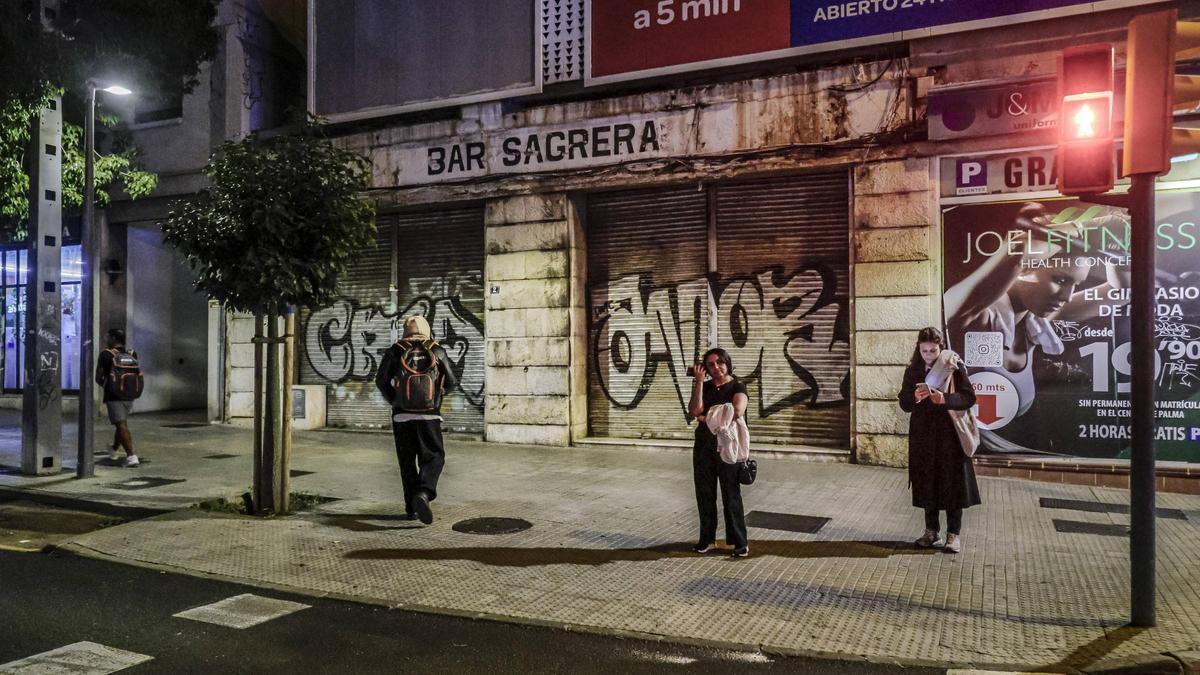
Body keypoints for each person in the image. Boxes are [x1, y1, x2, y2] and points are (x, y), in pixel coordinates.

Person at [945, 202, 1129, 452]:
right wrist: (1085, 227)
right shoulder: (975, 314)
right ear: (1028, 269)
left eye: (1075, 284)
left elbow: (1124, 290)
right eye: (1060, 279)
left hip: (1010, 461)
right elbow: (1018, 253)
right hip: (967, 459)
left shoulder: (1035, 323)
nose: (1066, 295)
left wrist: (1120, 245)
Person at [898, 327, 980, 553]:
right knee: (928, 485)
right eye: (924, 351)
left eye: (933, 351)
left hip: (950, 436)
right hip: (924, 436)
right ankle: (931, 531)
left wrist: (944, 398)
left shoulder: (954, 366)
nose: (928, 355)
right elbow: (903, 402)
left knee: (953, 486)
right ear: (919, 349)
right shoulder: (913, 371)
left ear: (940, 348)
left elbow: (969, 397)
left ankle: (953, 536)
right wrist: (914, 396)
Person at [375, 315, 458, 525]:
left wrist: (395, 400)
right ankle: (423, 492)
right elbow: (452, 381)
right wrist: (437, 397)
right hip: (429, 415)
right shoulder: (436, 350)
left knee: (407, 462)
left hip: (402, 416)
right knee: (434, 456)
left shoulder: (396, 350)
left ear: (406, 330)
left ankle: (411, 509)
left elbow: (381, 381)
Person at [688, 347, 750, 557]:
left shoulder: (737, 386)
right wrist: (698, 381)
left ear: (727, 362)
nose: (716, 368)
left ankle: (740, 542)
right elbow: (695, 411)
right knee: (705, 495)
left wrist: (709, 418)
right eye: (710, 365)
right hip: (704, 448)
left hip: (729, 448)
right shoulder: (704, 387)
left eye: (719, 363)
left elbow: (737, 411)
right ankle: (707, 540)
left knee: (731, 495)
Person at [95, 328, 139, 467]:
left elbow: (98, 377)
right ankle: (114, 449)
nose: (106, 339)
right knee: (121, 423)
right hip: (130, 394)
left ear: (113, 339)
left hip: (114, 395)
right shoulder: (132, 353)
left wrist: (107, 386)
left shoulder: (106, 355)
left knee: (121, 425)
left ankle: (131, 456)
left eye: (107, 337)